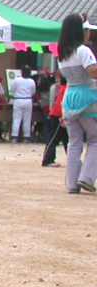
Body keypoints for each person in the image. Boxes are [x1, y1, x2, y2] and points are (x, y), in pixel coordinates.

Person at [56, 13, 97, 193]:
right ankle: (86, 178)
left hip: (70, 98)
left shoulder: (62, 54)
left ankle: (72, 183)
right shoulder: (83, 51)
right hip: (87, 97)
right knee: (95, 139)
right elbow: (93, 72)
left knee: (74, 142)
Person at [42, 72, 67, 168]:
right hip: (59, 115)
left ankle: (74, 160)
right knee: (54, 138)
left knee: (67, 139)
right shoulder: (65, 89)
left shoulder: (61, 88)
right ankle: (47, 160)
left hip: (59, 114)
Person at [10, 66, 37, 143]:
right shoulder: (32, 81)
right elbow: (33, 92)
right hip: (28, 99)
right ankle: (26, 137)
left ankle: (14, 137)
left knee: (16, 119)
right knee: (27, 119)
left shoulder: (17, 80)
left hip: (18, 99)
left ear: (22, 72)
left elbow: (12, 90)